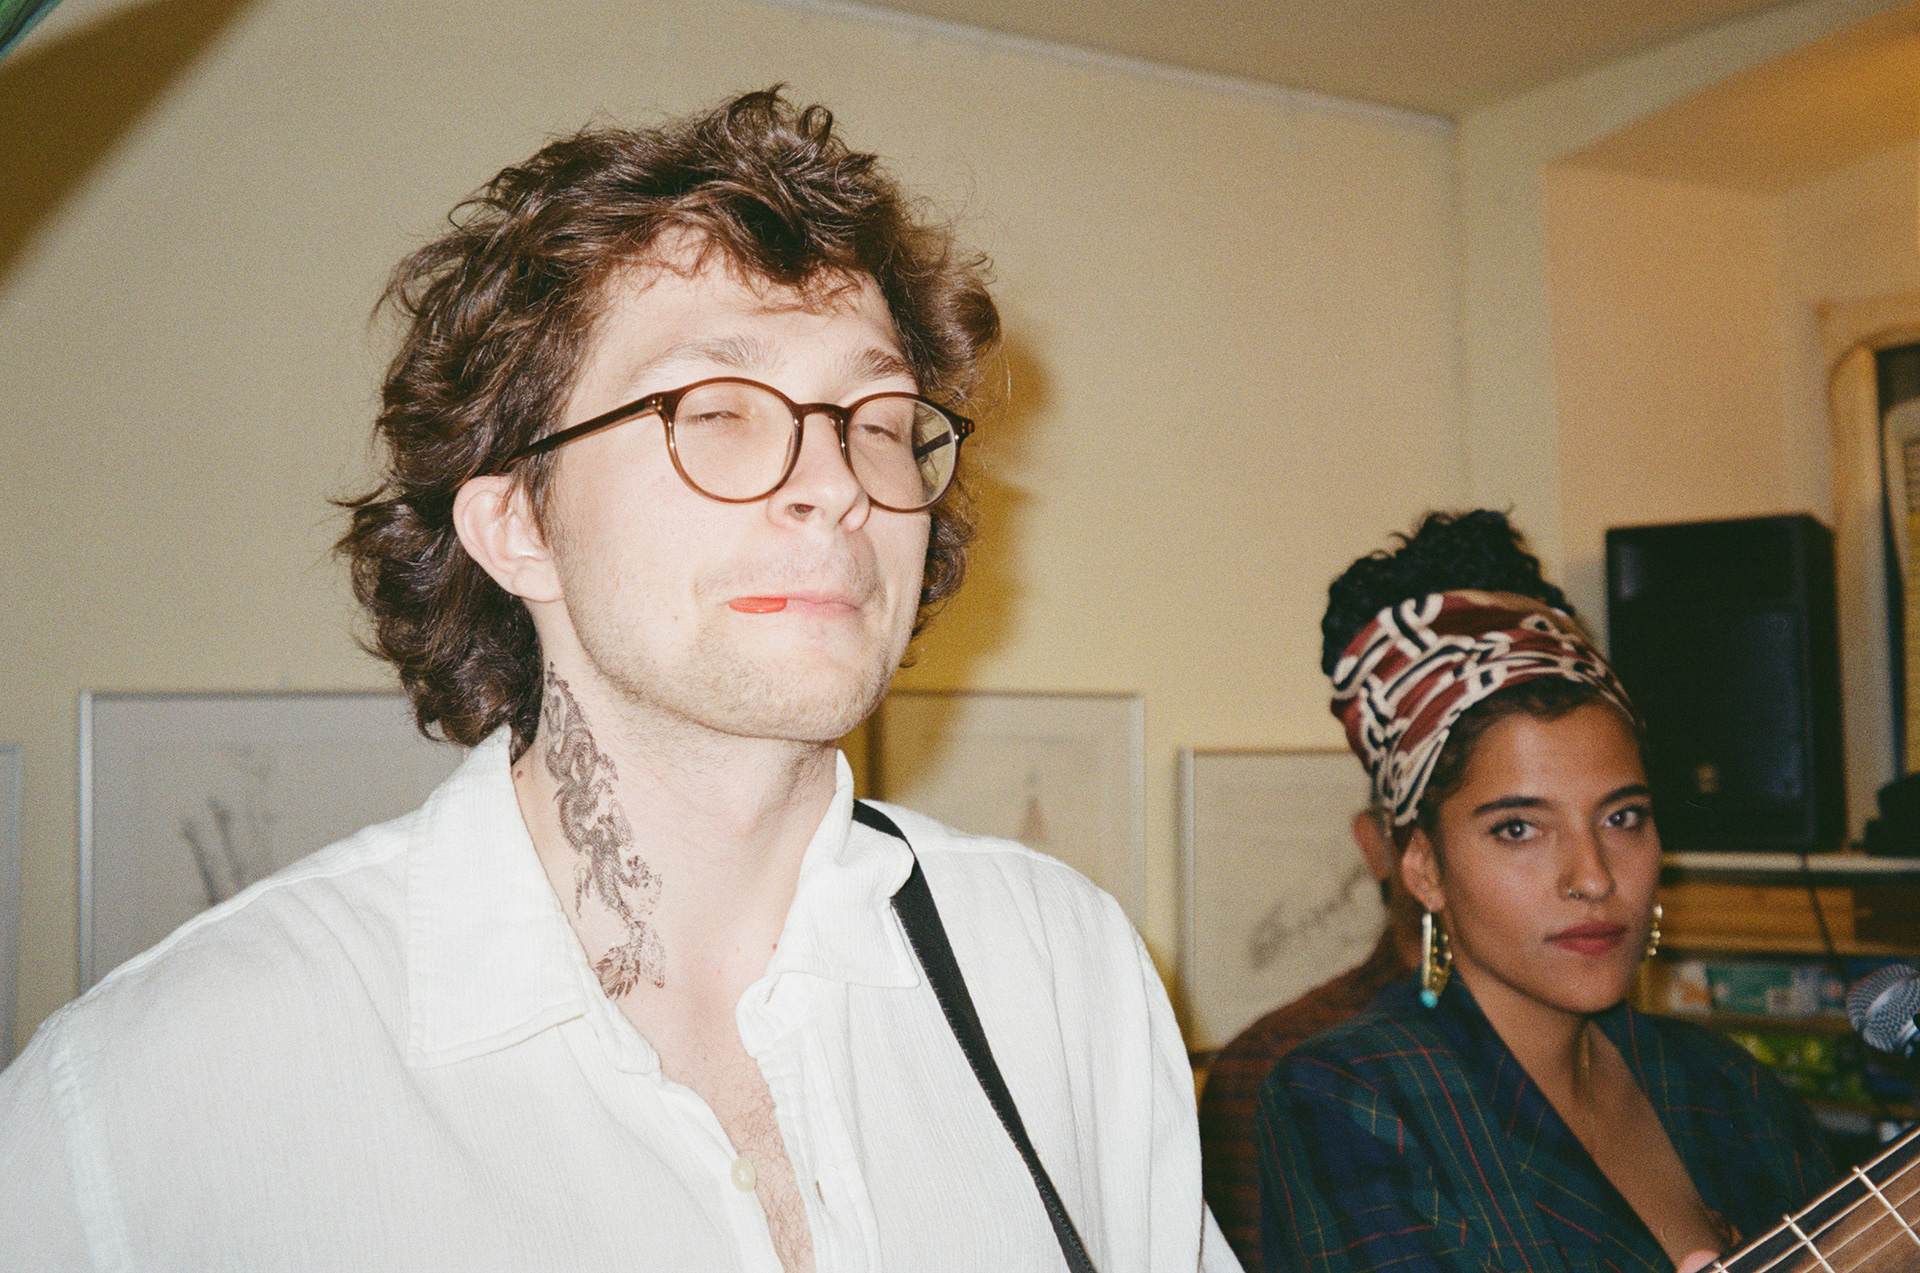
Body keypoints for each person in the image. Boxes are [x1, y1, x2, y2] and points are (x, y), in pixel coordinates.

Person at [0, 90, 1232, 1272]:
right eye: (720, 410)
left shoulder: (1059, 970)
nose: (838, 484)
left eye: (877, 418)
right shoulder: (164, 1088)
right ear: (518, 526)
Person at [1254, 511, 1834, 1273]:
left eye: (1622, 817)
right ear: (1423, 866)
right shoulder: (1353, 1097)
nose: (1593, 876)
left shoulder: (1729, 1088)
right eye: (1519, 829)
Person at [1197, 805, 1418, 1270]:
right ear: (1378, 845)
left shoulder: (1591, 1043)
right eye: (1513, 830)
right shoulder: (1276, 1065)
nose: (1577, 875)